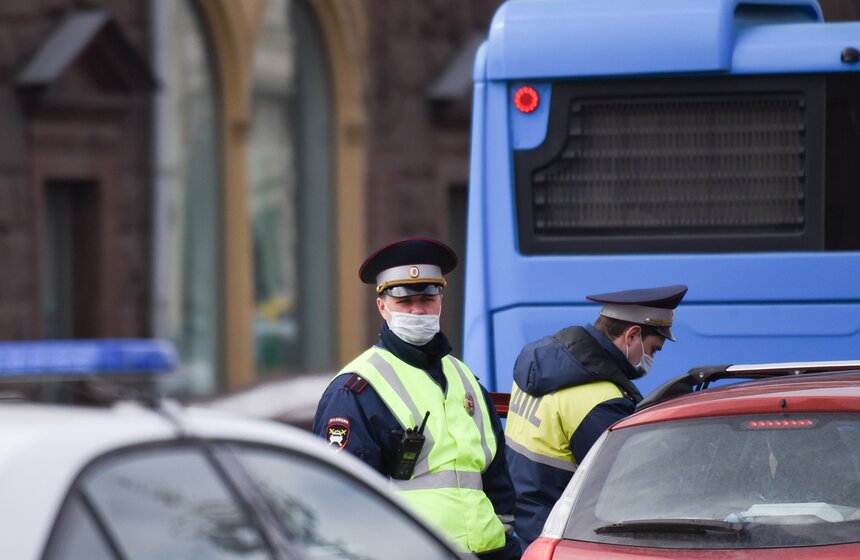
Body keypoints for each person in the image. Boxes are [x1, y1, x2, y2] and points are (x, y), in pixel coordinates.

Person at [313, 237, 521, 560]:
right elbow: (343, 501)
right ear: (382, 305)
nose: (417, 310)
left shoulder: (465, 379)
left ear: (441, 299)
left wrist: (506, 544)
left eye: (426, 298)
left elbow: (496, 478)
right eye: (404, 301)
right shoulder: (356, 390)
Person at [504, 285, 688, 547]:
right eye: (654, 349)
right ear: (632, 335)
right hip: (563, 538)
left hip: (524, 527)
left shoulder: (543, 364)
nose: (651, 358)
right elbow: (632, 487)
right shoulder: (601, 401)